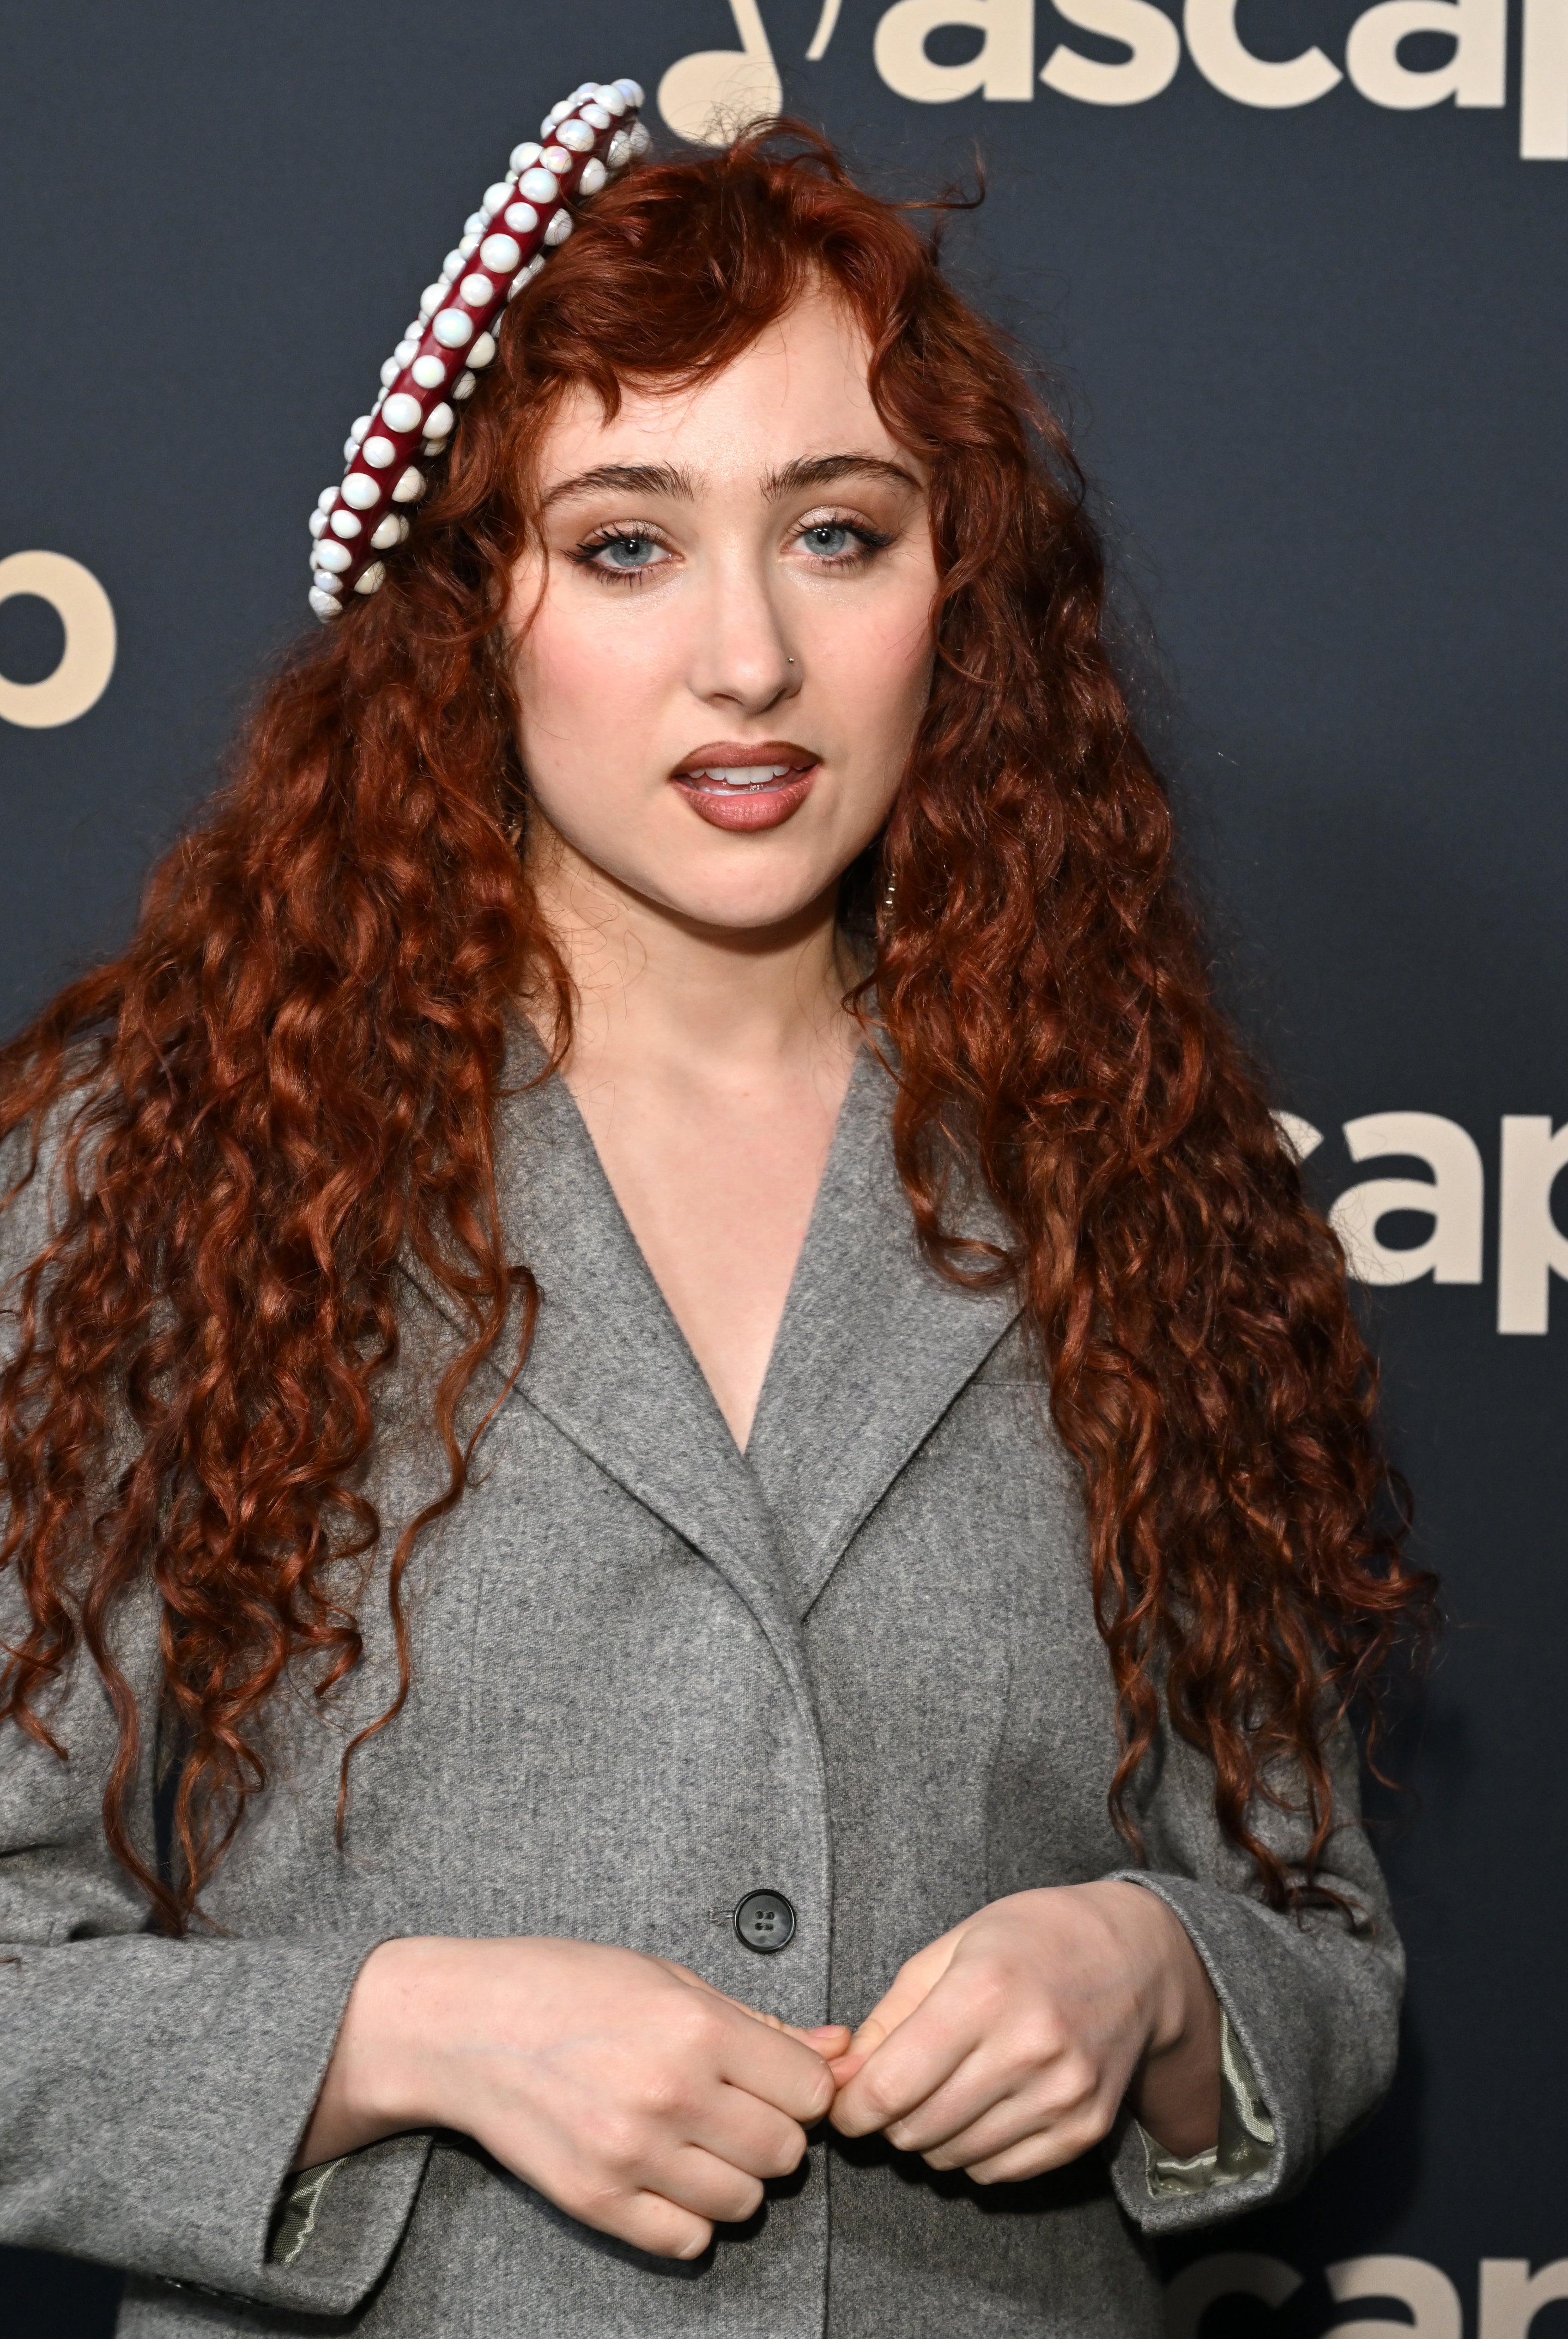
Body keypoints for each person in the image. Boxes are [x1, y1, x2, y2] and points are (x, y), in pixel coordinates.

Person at [0, 92, 1431, 2339]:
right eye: (631, 543)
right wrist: (400, 2040)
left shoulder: (1124, 1160)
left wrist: (1157, 1981)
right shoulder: (176, 1163)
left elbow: (1318, 1933)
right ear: (471, 612)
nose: (748, 657)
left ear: (954, 590)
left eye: (841, 534)